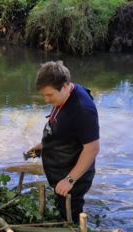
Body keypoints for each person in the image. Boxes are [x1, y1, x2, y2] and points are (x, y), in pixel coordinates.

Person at [28, 61, 100, 223]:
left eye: (50, 95)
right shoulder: (64, 97)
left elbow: (93, 148)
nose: (46, 100)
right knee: (61, 210)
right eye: (44, 95)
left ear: (65, 86)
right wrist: (44, 146)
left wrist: (69, 180)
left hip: (72, 176)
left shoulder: (83, 109)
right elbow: (65, 128)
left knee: (69, 216)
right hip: (62, 170)